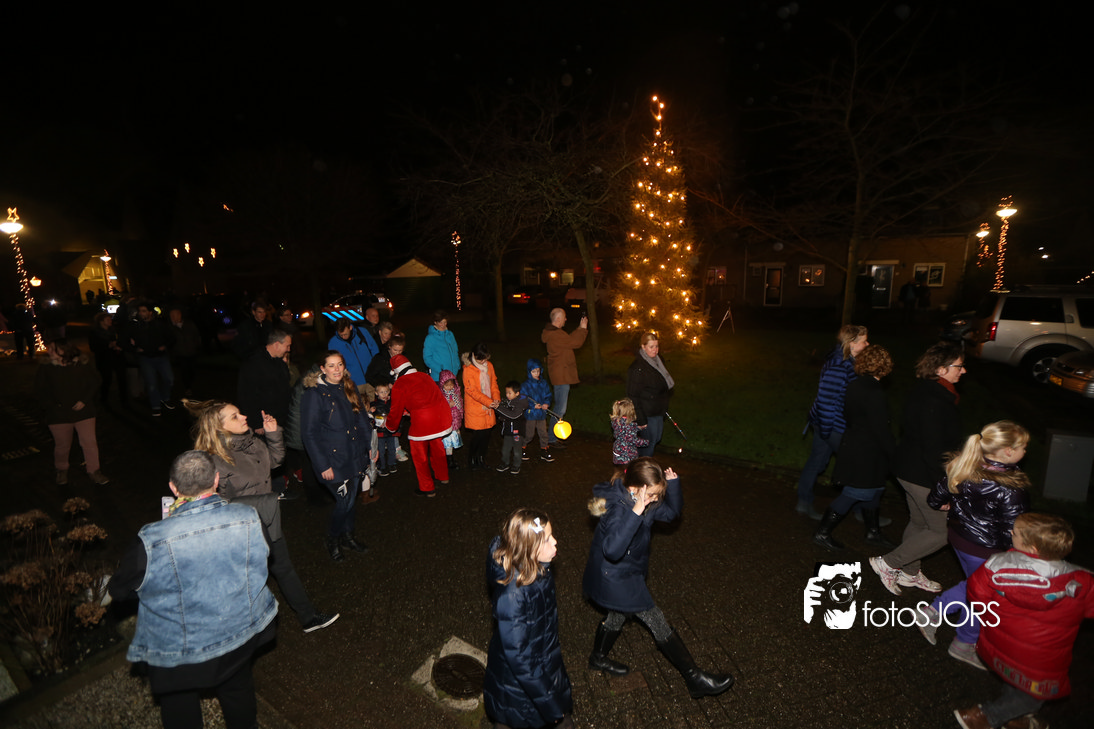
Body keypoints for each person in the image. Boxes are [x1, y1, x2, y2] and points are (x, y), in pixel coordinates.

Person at [108, 451, 277, 729]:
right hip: (240, 633)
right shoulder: (249, 516)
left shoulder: (151, 539)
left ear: (173, 488)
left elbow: (120, 590)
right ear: (216, 479)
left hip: (181, 652)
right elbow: (265, 554)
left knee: (179, 704)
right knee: (238, 690)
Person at [583, 457, 734, 699]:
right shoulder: (618, 507)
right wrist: (636, 512)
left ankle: (598, 658)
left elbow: (672, 513)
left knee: (617, 614)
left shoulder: (643, 499)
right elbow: (612, 550)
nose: (654, 500)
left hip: (627, 573)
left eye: (657, 495)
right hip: (615, 576)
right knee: (656, 619)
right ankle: (695, 678)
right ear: (635, 488)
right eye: (652, 494)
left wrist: (673, 485)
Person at [184, 398, 339, 633]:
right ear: (219, 427)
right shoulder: (211, 461)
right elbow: (213, 505)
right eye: (235, 416)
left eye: (240, 413)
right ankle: (234, 632)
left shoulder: (250, 442)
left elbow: (275, 462)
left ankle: (308, 617)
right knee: (245, 580)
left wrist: (272, 434)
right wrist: (262, 502)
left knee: (283, 568)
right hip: (240, 531)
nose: (244, 417)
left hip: (267, 520)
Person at [957, 513, 1092, 729]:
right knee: (1034, 696)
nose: (1011, 532)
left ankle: (1014, 718)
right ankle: (983, 717)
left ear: (1033, 548)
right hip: (1041, 659)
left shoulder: (995, 565)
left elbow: (976, 596)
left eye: (1016, 533)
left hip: (1000, 644)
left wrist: (991, 617)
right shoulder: (1083, 581)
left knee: (1015, 679)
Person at [917, 420, 1031, 670]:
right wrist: (1017, 556)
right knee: (983, 596)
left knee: (976, 586)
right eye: (1023, 447)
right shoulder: (1011, 488)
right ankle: (962, 641)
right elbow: (1014, 529)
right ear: (1008, 451)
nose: (1026, 452)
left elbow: (935, 496)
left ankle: (935, 614)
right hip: (986, 550)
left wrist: (943, 504)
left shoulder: (965, 465)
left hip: (959, 539)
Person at [870, 342, 966, 596]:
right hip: (923, 474)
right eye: (958, 366)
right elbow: (933, 449)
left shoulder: (928, 390)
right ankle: (888, 563)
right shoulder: (935, 400)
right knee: (942, 532)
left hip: (908, 468)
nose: (963, 370)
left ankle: (910, 573)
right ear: (941, 369)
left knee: (920, 522)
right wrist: (943, 489)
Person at [483, 508, 574, 729]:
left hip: (541, 668)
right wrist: (551, 706)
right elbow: (521, 659)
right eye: (547, 540)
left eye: (552, 535)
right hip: (517, 688)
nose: (555, 542)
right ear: (528, 549)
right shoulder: (512, 596)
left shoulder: (537, 569)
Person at [813, 344, 896, 551]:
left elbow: (850, 416)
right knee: (854, 493)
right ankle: (822, 533)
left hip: (856, 443)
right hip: (867, 451)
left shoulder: (855, 385)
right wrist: (894, 453)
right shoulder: (875, 392)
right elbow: (880, 429)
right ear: (885, 366)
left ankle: (873, 532)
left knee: (875, 489)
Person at [301, 351, 374, 561]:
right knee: (344, 501)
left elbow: (361, 419)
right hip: (333, 461)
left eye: (339, 364)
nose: (336, 369)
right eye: (331, 365)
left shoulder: (349, 386)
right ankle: (332, 538)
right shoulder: (314, 395)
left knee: (351, 499)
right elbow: (309, 434)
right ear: (322, 369)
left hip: (354, 454)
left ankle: (348, 536)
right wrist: (323, 465)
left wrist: (370, 446)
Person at [795, 325, 869, 518]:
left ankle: (804, 502)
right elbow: (826, 401)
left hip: (829, 423)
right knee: (856, 465)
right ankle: (861, 511)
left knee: (817, 462)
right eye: (864, 341)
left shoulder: (847, 361)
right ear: (852, 344)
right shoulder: (839, 366)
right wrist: (828, 432)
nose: (867, 344)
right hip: (832, 425)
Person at [35, 339, 110, 485]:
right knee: (62, 445)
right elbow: (39, 390)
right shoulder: (46, 367)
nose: (49, 351)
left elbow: (95, 381)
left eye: (53, 349)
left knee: (89, 442)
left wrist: (84, 400)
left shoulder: (81, 364)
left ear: (63, 350)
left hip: (84, 412)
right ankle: (61, 469)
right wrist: (53, 405)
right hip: (58, 415)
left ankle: (94, 470)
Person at [386, 354, 452, 496]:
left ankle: (427, 487)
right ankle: (443, 476)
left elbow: (395, 411)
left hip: (422, 422)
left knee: (419, 455)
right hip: (440, 416)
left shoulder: (400, 384)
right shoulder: (425, 376)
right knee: (437, 447)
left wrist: (390, 426)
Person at [541, 308, 587, 448]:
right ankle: (551, 438)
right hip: (561, 376)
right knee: (560, 409)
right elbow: (575, 343)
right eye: (564, 317)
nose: (566, 319)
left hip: (561, 375)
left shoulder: (555, 333)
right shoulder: (555, 334)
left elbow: (569, 340)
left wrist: (579, 328)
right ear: (558, 319)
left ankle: (552, 437)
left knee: (559, 407)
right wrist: (583, 329)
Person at [626, 332, 674, 457]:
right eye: (651, 347)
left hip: (658, 409)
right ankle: (642, 466)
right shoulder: (638, 368)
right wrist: (641, 419)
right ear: (643, 347)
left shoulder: (658, 361)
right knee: (648, 444)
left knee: (656, 438)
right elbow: (633, 395)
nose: (655, 350)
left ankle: (638, 462)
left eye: (657, 346)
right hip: (646, 412)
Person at [128, 301, 175, 416]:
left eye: (144, 311)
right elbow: (126, 339)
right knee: (151, 383)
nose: (141, 313)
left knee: (169, 379)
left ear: (150, 312)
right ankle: (155, 405)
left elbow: (172, 337)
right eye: (140, 311)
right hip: (146, 358)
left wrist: (165, 346)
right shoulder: (136, 326)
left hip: (161, 356)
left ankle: (165, 398)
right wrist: (135, 348)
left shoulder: (160, 324)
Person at [462, 342, 500, 470]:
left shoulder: (489, 366)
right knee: (478, 435)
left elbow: (493, 383)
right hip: (476, 407)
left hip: (488, 407)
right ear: (474, 355)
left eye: (485, 358)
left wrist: (496, 398)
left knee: (486, 435)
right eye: (480, 359)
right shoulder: (468, 369)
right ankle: (472, 459)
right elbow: (472, 391)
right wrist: (488, 402)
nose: (483, 361)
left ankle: (481, 458)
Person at [329, 318, 378, 392]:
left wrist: (375, 367)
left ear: (350, 327)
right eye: (341, 335)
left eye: (345, 334)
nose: (343, 337)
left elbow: (374, 349)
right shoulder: (333, 343)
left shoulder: (362, 332)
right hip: (354, 382)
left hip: (371, 379)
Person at [88, 311, 127, 403]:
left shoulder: (113, 331)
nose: (110, 321)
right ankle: (104, 400)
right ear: (101, 321)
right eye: (107, 319)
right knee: (106, 380)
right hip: (104, 360)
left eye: (110, 319)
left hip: (116, 358)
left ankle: (124, 399)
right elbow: (93, 347)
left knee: (122, 379)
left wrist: (118, 346)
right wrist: (108, 345)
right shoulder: (95, 333)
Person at [520, 358, 553, 463]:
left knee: (543, 433)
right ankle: (522, 448)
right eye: (534, 371)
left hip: (541, 413)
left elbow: (548, 395)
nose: (536, 373)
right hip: (531, 414)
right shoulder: (525, 385)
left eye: (538, 371)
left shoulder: (543, 383)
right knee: (529, 434)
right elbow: (522, 398)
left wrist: (546, 403)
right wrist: (532, 406)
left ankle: (544, 449)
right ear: (529, 371)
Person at [495, 380, 528, 475]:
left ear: (517, 393)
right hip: (508, 431)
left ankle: (516, 465)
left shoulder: (520, 404)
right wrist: (498, 409)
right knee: (505, 449)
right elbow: (503, 414)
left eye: (510, 393)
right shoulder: (506, 402)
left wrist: (499, 408)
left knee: (517, 449)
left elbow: (513, 415)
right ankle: (505, 463)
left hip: (517, 432)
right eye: (506, 393)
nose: (507, 395)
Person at [169, 307, 202, 397]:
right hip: (180, 354)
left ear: (179, 315)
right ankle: (187, 387)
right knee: (184, 371)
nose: (172, 317)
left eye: (174, 315)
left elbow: (196, 336)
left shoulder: (189, 324)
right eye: (171, 316)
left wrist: (196, 346)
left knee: (192, 370)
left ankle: (191, 385)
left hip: (192, 352)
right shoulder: (171, 328)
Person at [370, 382, 399, 476]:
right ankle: (382, 466)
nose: (384, 394)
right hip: (380, 431)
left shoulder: (392, 402)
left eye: (386, 391)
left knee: (392, 448)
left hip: (390, 430)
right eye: (381, 392)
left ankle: (391, 464)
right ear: (376, 393)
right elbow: (370, 417)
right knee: (381, 450)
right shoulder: (374, 405)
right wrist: (371, 412)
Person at [423, 309, 460, 383]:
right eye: (440, 322)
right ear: (435, 322)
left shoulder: (450, 335)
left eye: (445, 322)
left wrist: (457, 364)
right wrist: (440, 369)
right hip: (439, 376)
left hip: (453, 374)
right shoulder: (430, 338)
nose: (443, 325)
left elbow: (455, 350)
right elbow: (427, 357)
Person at [610, 397, 648, 466]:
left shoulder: (616, 421)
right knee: (628, 470)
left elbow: (624, 431)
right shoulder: (628, 425)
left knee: (619, 469)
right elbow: (632, 439)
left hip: (618, 450)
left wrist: (638, 428)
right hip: (627, 454)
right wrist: (646, 442)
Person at [439, 369, 464, 472]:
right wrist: (448, 406)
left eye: (451, 385)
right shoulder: (441, 396)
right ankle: (448, 460)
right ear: (442, 385)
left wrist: (460, 418)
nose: (449, 387)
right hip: (446, 424)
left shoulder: (456, 394)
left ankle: (451, 458)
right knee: (447, 443)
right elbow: (439, 410)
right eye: (447, 385)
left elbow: (460, 407)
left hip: (455, 423)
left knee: (452, 443)